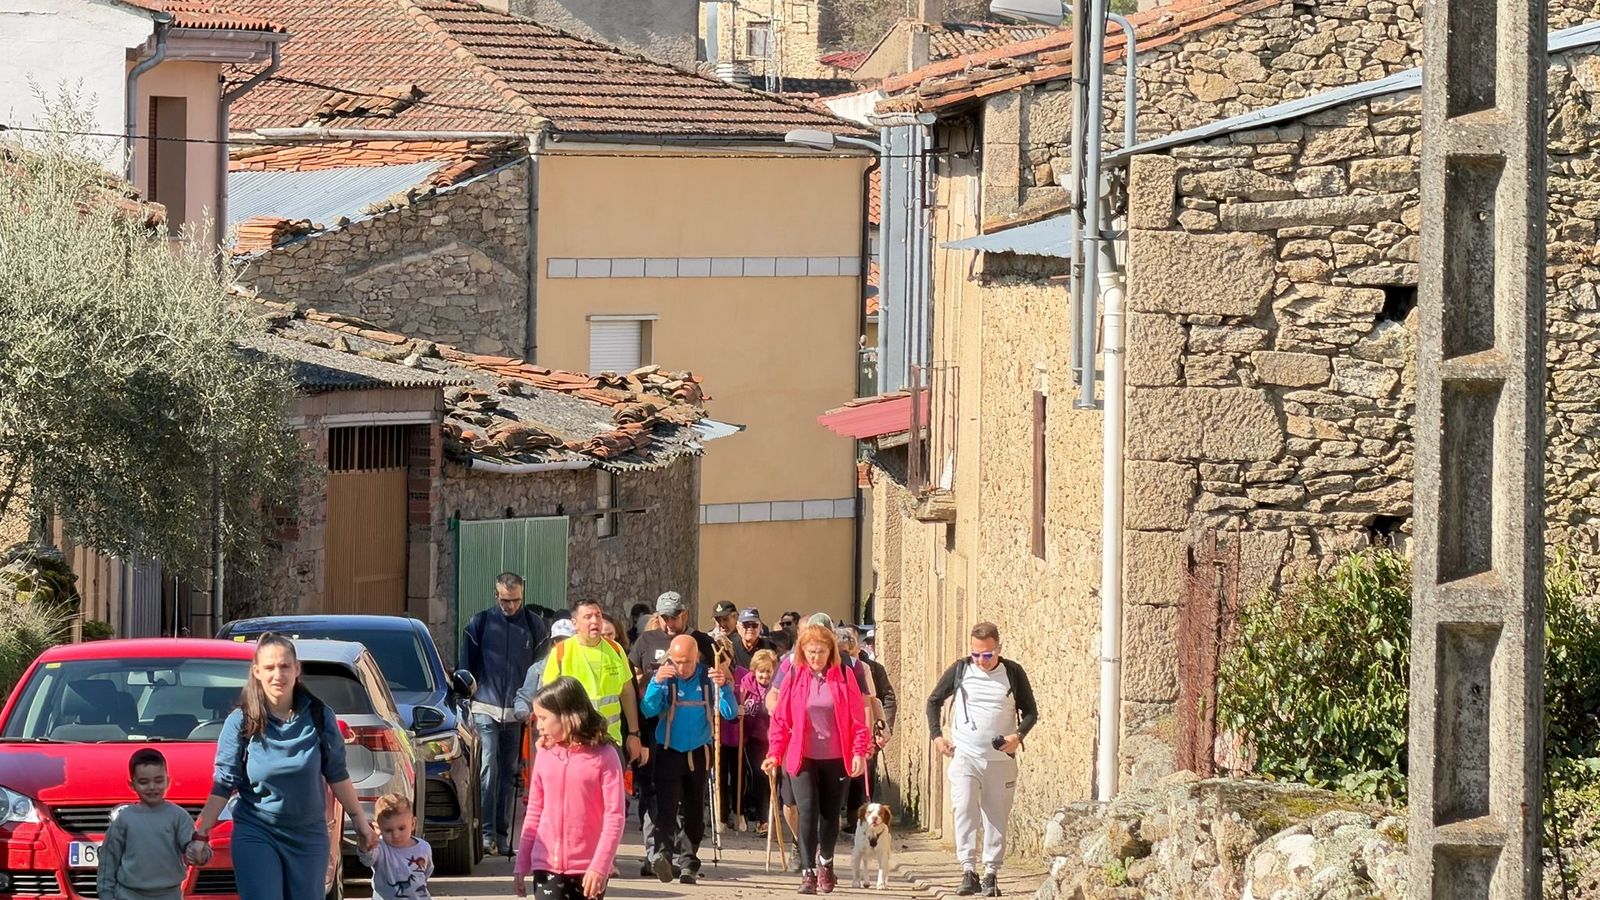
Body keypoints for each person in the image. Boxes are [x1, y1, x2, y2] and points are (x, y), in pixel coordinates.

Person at [194, 634, 377, 900]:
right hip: (257, 832)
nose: (277, 674)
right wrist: (201, 834)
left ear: (297, 669)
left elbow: (337, 773)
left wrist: (360, 821)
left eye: (284, 666)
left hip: (308, 836)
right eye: (269, 667)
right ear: (256, 672)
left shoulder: (318, 715)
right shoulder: (241, 722)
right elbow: (223, 783)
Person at [926, 623, 1039, 898]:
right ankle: (968, 870)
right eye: (976, 654)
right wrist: (937, 737)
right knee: (963, 808)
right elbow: (933, 701)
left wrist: (1018, 736)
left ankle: (991, 874)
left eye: (987, 655)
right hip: (965, 755)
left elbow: (1031, 712)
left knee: (995, 815)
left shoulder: (1013, 673)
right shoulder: (961, 669)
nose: (981, 660)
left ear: (998, 649)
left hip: (1000, 759)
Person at [763, 625, 870, 895]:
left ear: (831, 651)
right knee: (807, 811)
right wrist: (774, 753)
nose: (816, 658)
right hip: (802, 756)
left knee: (830, 815)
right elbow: (781, 720)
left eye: (821, 652)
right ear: (802, 652)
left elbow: (858, 720)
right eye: (811, 652)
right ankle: (808, 871)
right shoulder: (795, 676)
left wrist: (859, 751)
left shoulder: (844, 675)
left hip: (836, 756)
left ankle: (826, 863)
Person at [460, 572, 550, 857]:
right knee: (488, 768)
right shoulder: (480, 623)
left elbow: (540, 671)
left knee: (509, 773)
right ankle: (486, 833)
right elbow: (466, 667)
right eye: (504, 600)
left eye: (515, 600)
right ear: (495, 594)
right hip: (484, 706)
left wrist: (533, 704)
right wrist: (468, 698)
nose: (510, 606)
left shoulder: (535, 626)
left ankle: (501, 832)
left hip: (517, 711)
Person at [514, 677, 626, 900]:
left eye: (544, 718)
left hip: (589, 869)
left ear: (567, 716)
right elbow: (535, 810)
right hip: (545, 865)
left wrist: (601, 865)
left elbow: (615, 816)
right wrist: (522, 861)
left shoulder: (605, 755)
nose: (539, 725)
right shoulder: (545, 753)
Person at [628, 591, 716, 876]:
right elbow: (633, 680)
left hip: (693, 739)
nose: (668, 622)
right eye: (663, 617)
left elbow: (717, 678)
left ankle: (685, 857)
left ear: (684, 614)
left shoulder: (702, 641)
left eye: (673, 616)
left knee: (690, 805)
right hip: (655, 732)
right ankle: (655, 855)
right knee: (654, 798)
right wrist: (653, 684)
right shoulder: (646, 640)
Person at [639, 634, 736, 885]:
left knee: (694, 812)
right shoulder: (665, 677)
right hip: (669, 751)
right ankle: (662, 856)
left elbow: (729, 712)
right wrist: (656, 684)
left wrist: (724, 686)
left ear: (697, 658)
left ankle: (688, 864)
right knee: (666, 808)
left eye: (687, 662)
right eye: (677, 661)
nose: (681, 667)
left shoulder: (707, 677)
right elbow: (648, 710)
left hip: (699, 753)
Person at [539, 599, 646, 767]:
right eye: (587, 616)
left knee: (612, 792)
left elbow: (627, 692)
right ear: (575, 623)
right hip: (574, 743)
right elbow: (546, 701)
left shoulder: (616, 650)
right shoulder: (560, 653)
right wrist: (547, 735)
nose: (595, 621)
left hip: (611, 741)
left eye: (598, 615)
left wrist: (634, 733)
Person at [99, 748, 200, 900]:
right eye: (144, 782)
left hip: (169, 895)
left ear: (168, 781)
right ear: (132, 785)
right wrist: (105, 893)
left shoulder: (178, 816)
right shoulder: (125, 818)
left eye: (158, 781)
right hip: (128, 895)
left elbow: (195, 847)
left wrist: (200, 853)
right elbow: (109, 858)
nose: (152, 787)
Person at [837, 624, 896, 832]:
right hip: (842, 730)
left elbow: (877, 700)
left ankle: (857, 822)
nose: (844, 656)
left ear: (855, 649)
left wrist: (881, 728)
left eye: (847, 651)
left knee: (863, 777)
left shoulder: (869, 668)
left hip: (865, 728)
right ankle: (843, 818)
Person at [359, 793, 433, 900]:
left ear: (413, 824)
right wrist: (365, 847)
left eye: (401, 828)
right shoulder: (380, 848)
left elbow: (426, 872)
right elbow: (367, 860)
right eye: (388, 830)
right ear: (377, 828)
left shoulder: (423, 847)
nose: (396, 835)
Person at [742, 649, 778, 836]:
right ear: (754, 671)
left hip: (773, 739)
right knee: (759, 775)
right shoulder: (745, 685)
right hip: (753, 738)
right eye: (761, 672)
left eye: (768, 672)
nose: (764, 676)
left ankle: (770, 817)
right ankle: (762, 819)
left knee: (772, 778)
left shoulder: (777, 687)